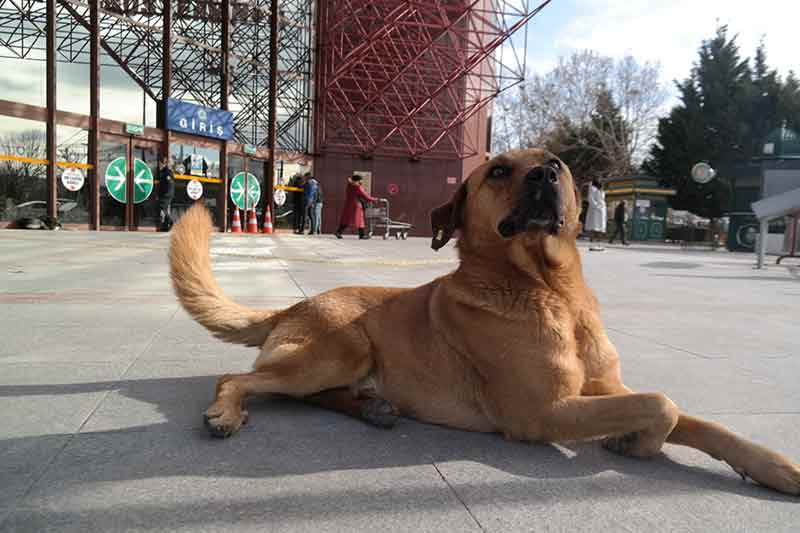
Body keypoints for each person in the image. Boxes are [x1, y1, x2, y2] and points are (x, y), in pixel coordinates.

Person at [335, 174, 378, 239]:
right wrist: (375, 199)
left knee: (346, 219)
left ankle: (338, 232)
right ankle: (362, 235)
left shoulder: (349, 185)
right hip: (356, 206)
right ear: (357, 180)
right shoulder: (358, 187)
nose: (361, 182)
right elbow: (366, 196)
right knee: (360, 220)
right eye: (360, 181)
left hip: (348, 205)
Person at [584, 178, 607, 249]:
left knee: (600, 228)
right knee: (594, 227)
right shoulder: (592, 189)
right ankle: (592, 244)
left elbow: (602, 199)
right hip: (595, 211)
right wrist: (597, 206)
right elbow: (590, 199)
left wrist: (602, 207)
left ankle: (599, 244)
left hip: (601, 210)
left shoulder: (601, 190)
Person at [157, 155, 175, 231]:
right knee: (163, 209)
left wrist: (166, 195)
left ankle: (171, 222)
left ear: (162, 163)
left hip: (166, 194)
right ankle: (165, 226)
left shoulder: (167, 172)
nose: (159, 165)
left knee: (162, 209)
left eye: (159, 163)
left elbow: (169, 185)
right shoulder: (163, 172)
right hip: (164, 194)